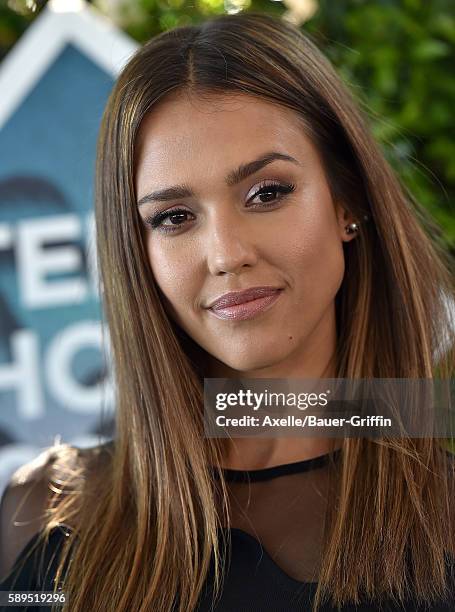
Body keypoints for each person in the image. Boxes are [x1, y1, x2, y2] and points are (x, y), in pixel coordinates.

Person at [0, 10, 454, 612]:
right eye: (174, 217)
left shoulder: (441, 503)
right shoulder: (43, 511)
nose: (226, 255)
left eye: (266, 193)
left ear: (348, 198)